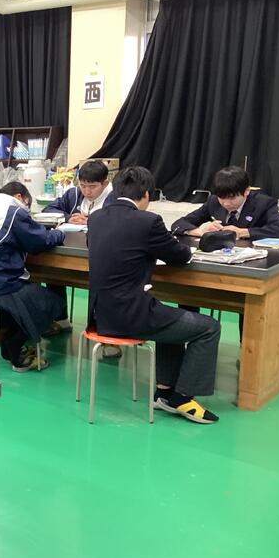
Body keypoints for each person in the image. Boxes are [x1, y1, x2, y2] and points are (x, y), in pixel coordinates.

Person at [87, 166, 221, 424]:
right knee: (209, 328)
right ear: (147, 194)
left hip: (100, 315)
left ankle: (164, 392)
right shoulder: (148, 221)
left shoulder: (96, 218)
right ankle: (182, 397)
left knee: (171, 318)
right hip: (131, 316)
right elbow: (179, 256)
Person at [0, 182, 65, 372]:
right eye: (28, 204)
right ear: (19, 197)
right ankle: (14, 348)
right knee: (52, 303)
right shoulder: (13, 212)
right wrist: (60, 233)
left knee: (27, 295)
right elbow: (41, 241)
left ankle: (13, 346)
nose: (28, 209)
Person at [43, 160, 116, 336]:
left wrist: (92, 221)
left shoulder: (114, 198)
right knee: (54, 271)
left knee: (98, 282)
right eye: (83, 186)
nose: (87, 191)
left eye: (92, 187)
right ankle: (60, 320)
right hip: (73, 246)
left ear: (105, 183)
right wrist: (68, 217)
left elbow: (119, 221)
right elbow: (48, 210)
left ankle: (100, 329)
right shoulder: (74, 194)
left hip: (103, 252)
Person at [171, 166, 279, 239]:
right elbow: (179, 224)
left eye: (231, 198)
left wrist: (242, 232)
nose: (226, 203)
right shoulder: (213, 202)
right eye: (221, 198)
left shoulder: (263, 203)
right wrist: (200, 232)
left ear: (246, 191)